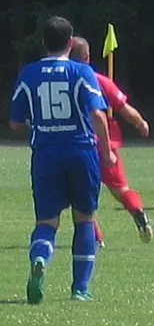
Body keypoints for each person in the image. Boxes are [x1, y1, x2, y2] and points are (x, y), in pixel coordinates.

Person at [9, 16, 115, 303]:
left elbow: (15, 123)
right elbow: (97, 115)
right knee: (84, 219)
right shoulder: (82, 73)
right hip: (81, 152)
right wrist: (106, 152)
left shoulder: (28, 74)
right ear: (71, 42)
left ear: (44, 42)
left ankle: (41, 258)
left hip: (45, 154)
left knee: (47, 221)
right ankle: (80, 289)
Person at [70, 37, 153, 244]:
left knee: (79, 197)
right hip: (107, 144)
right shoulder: (100, 80)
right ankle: (138, 212)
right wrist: (140, 122)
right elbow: (124, 109)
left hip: (77, 144)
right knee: (121, 189)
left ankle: (96, 239)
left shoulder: (63, 81)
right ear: (87, 56)